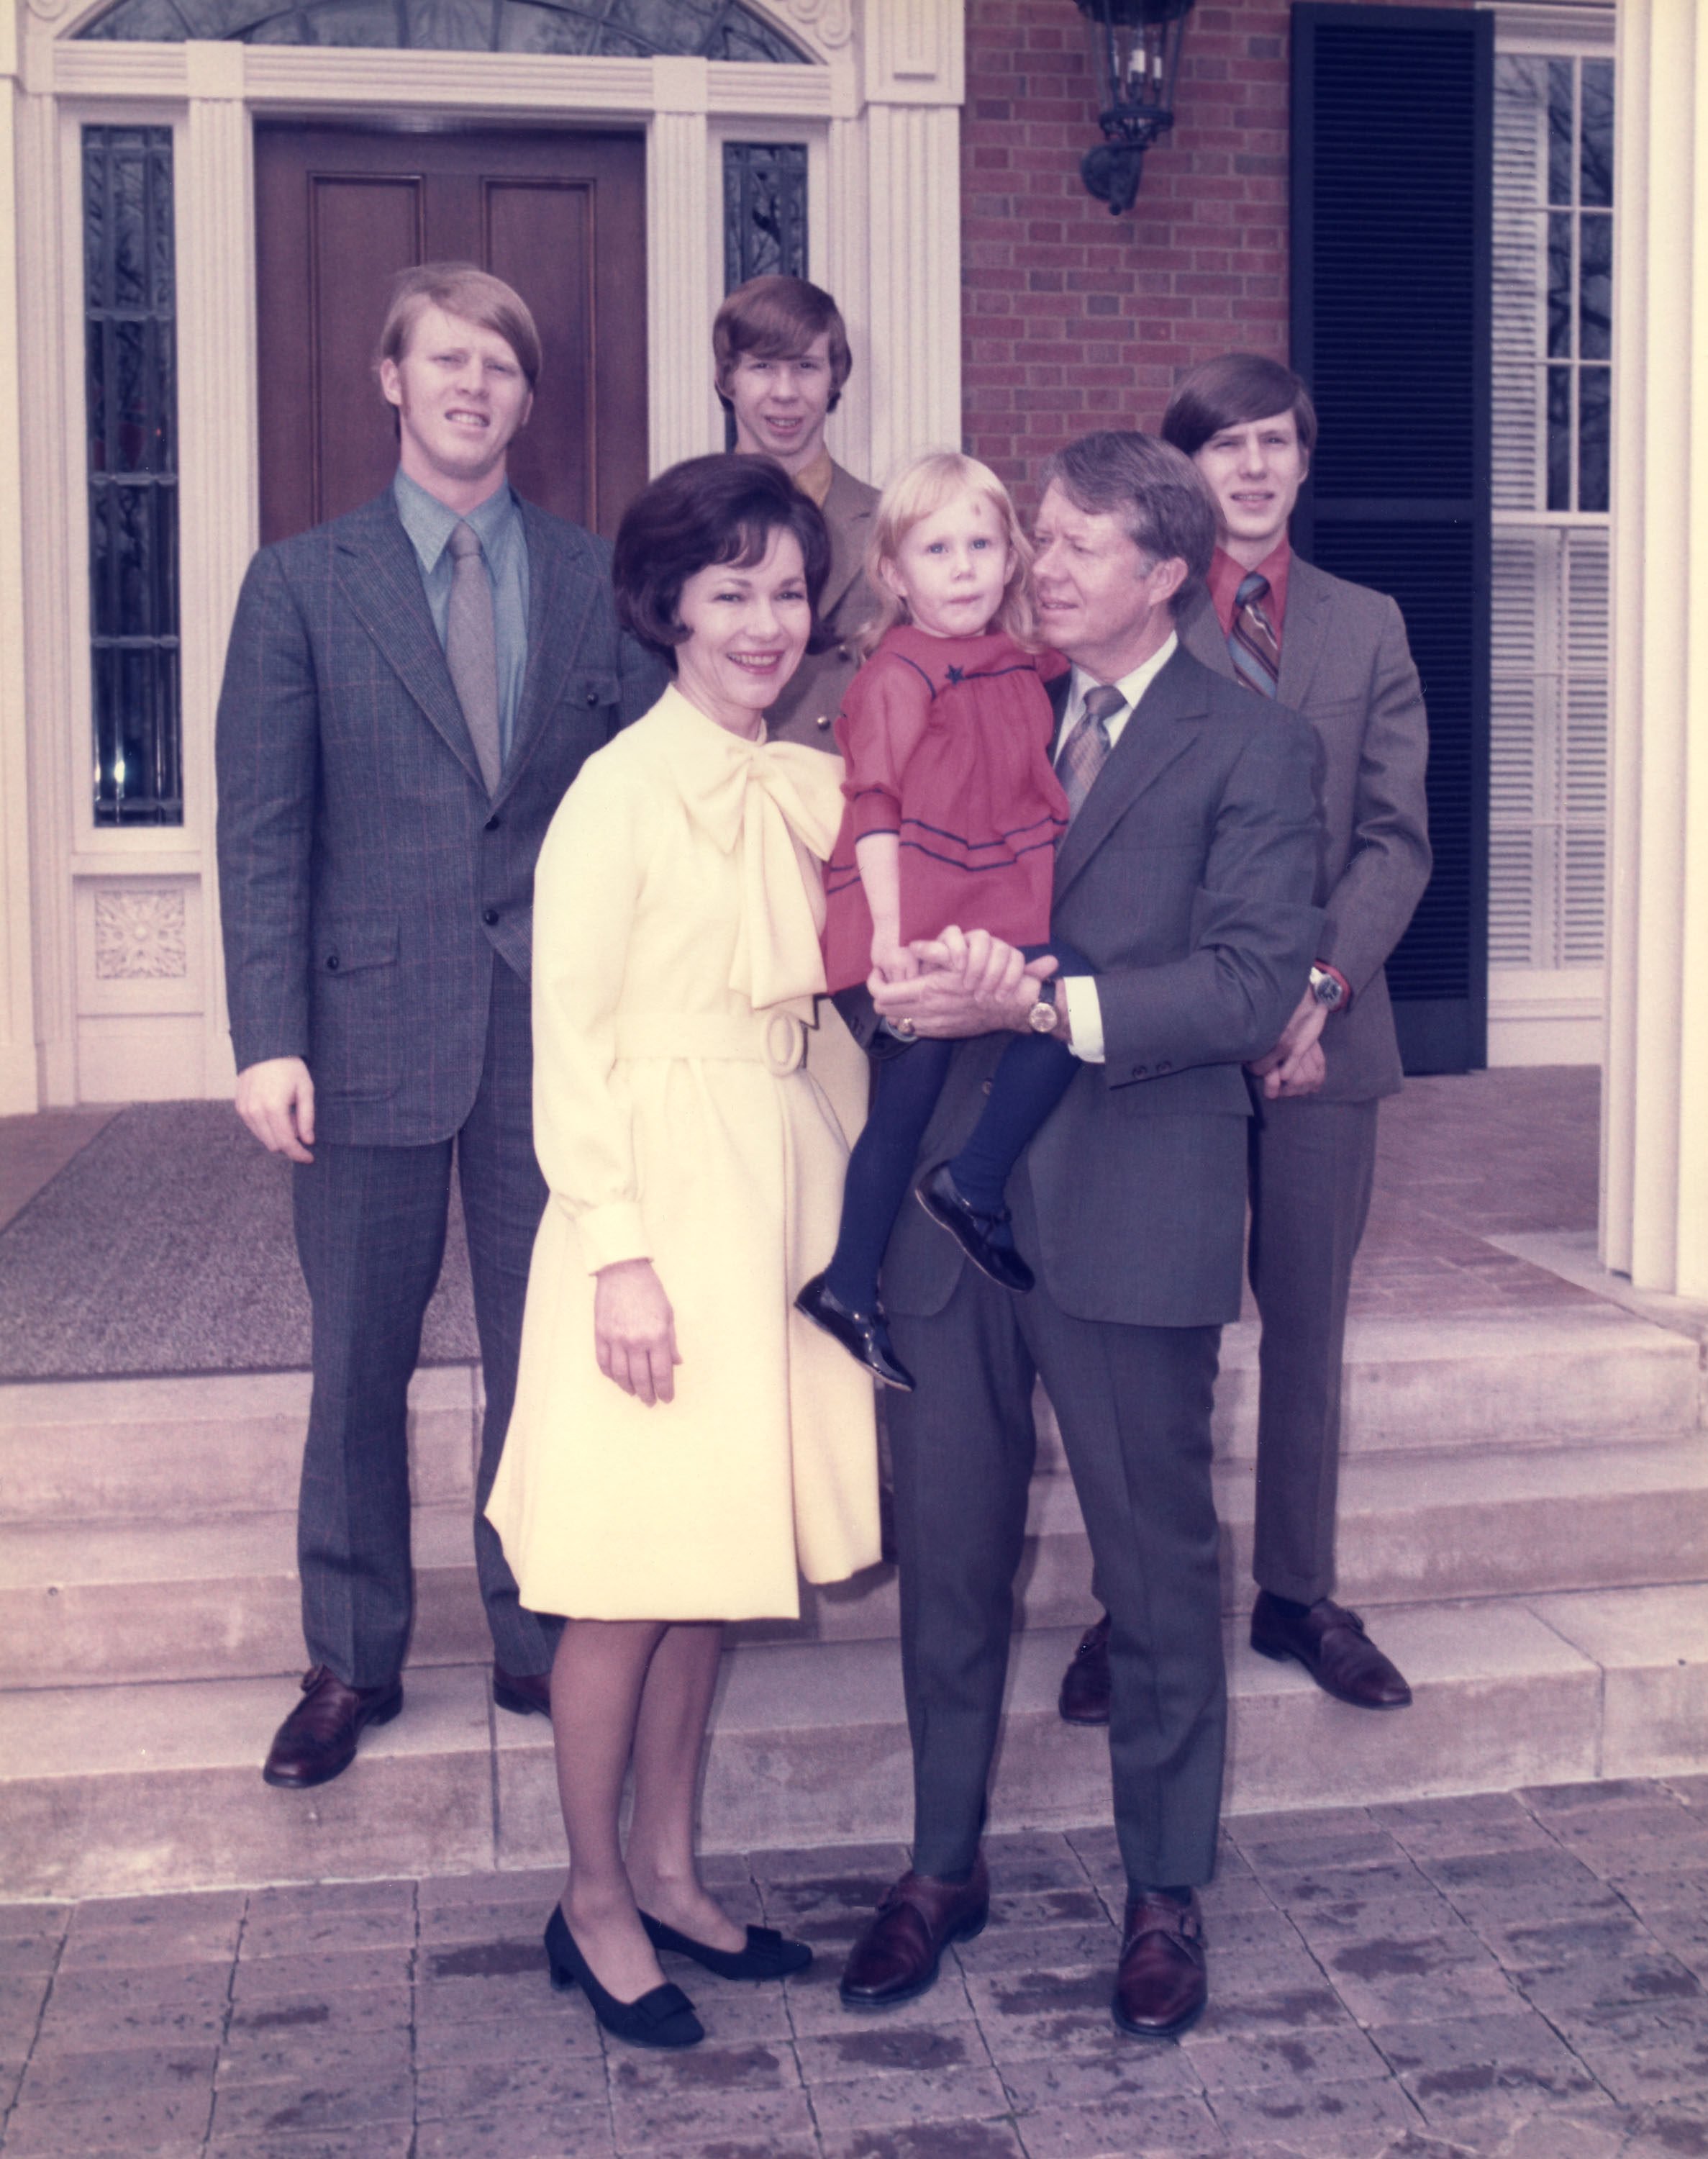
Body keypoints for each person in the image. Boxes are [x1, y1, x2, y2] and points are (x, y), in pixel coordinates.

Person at [839, 432, 1323, 2040]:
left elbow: (1254, 982)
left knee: (1159, 1569)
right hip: (949, 1210)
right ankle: (939, 1865)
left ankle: (1165, 1890)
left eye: (1077, 547)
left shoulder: (1254, 745)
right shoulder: (988, 687)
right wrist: (901, 981)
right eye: (1036, 539)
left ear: (1167, 572)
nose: (1040, 568)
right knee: (951, 1559)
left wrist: (1052, 998)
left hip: (1134, 1206)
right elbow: (903, 859)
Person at [216, 263, 663, 1792]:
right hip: (360, 1034)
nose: (474, 387)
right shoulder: (298, 584)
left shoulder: (594, 579)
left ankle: (540, 1628)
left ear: (530, 402)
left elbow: (639, 804)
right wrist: (266, 1034)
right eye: (446, 361)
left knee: (548, 1350)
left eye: (502, 368)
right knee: (360, 1357)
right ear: (391, 380)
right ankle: (350, 1659)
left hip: (554, 1030)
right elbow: (266, 831)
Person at [484, 454, 880, 2052]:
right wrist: (618, 1257)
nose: (767, 623)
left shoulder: (797, 779)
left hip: (764, 1200)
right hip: (645, 1210)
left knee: (705, 1566)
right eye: (733, 593)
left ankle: (669, 1869)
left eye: (788, 591)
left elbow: (815, 1017)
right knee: (618, 1582)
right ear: (669, 609)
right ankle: (589, 1903)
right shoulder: (618, 793)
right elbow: (568, 1045)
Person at [1057, 355, 1431, 1729]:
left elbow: (1396, 836)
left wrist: (1317, 988)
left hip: (1330, 1033)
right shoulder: (1134, 625)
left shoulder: (1368, 624)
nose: (1256, 468)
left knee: (1307, 1331)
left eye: (1277, 443)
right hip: (1169, 1035)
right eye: (1227, 448)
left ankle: (1297, 1593)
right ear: (1187, 476)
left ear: (1303, 460)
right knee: (1159, 1329)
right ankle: (1131, 1603)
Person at [796, 451, 1078, 1390]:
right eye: (937, 547)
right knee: (904, 1106)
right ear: (893, 572)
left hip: (973, 914)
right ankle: (856, 1279)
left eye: (981, 545)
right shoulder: (896, 676)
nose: (962, 567)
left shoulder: (1018, 665)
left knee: (1070, 997)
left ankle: (967, 1187)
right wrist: (885, 936)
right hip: (899, 918)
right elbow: (871, 805)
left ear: (1011, 562)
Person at [712, 274, 879, 749]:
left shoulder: (893, 526)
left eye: (806, 366)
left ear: (835, 377)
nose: (785, 392)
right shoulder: (682, 525)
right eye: (762, 366)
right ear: (727, 378)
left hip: (846, 806)